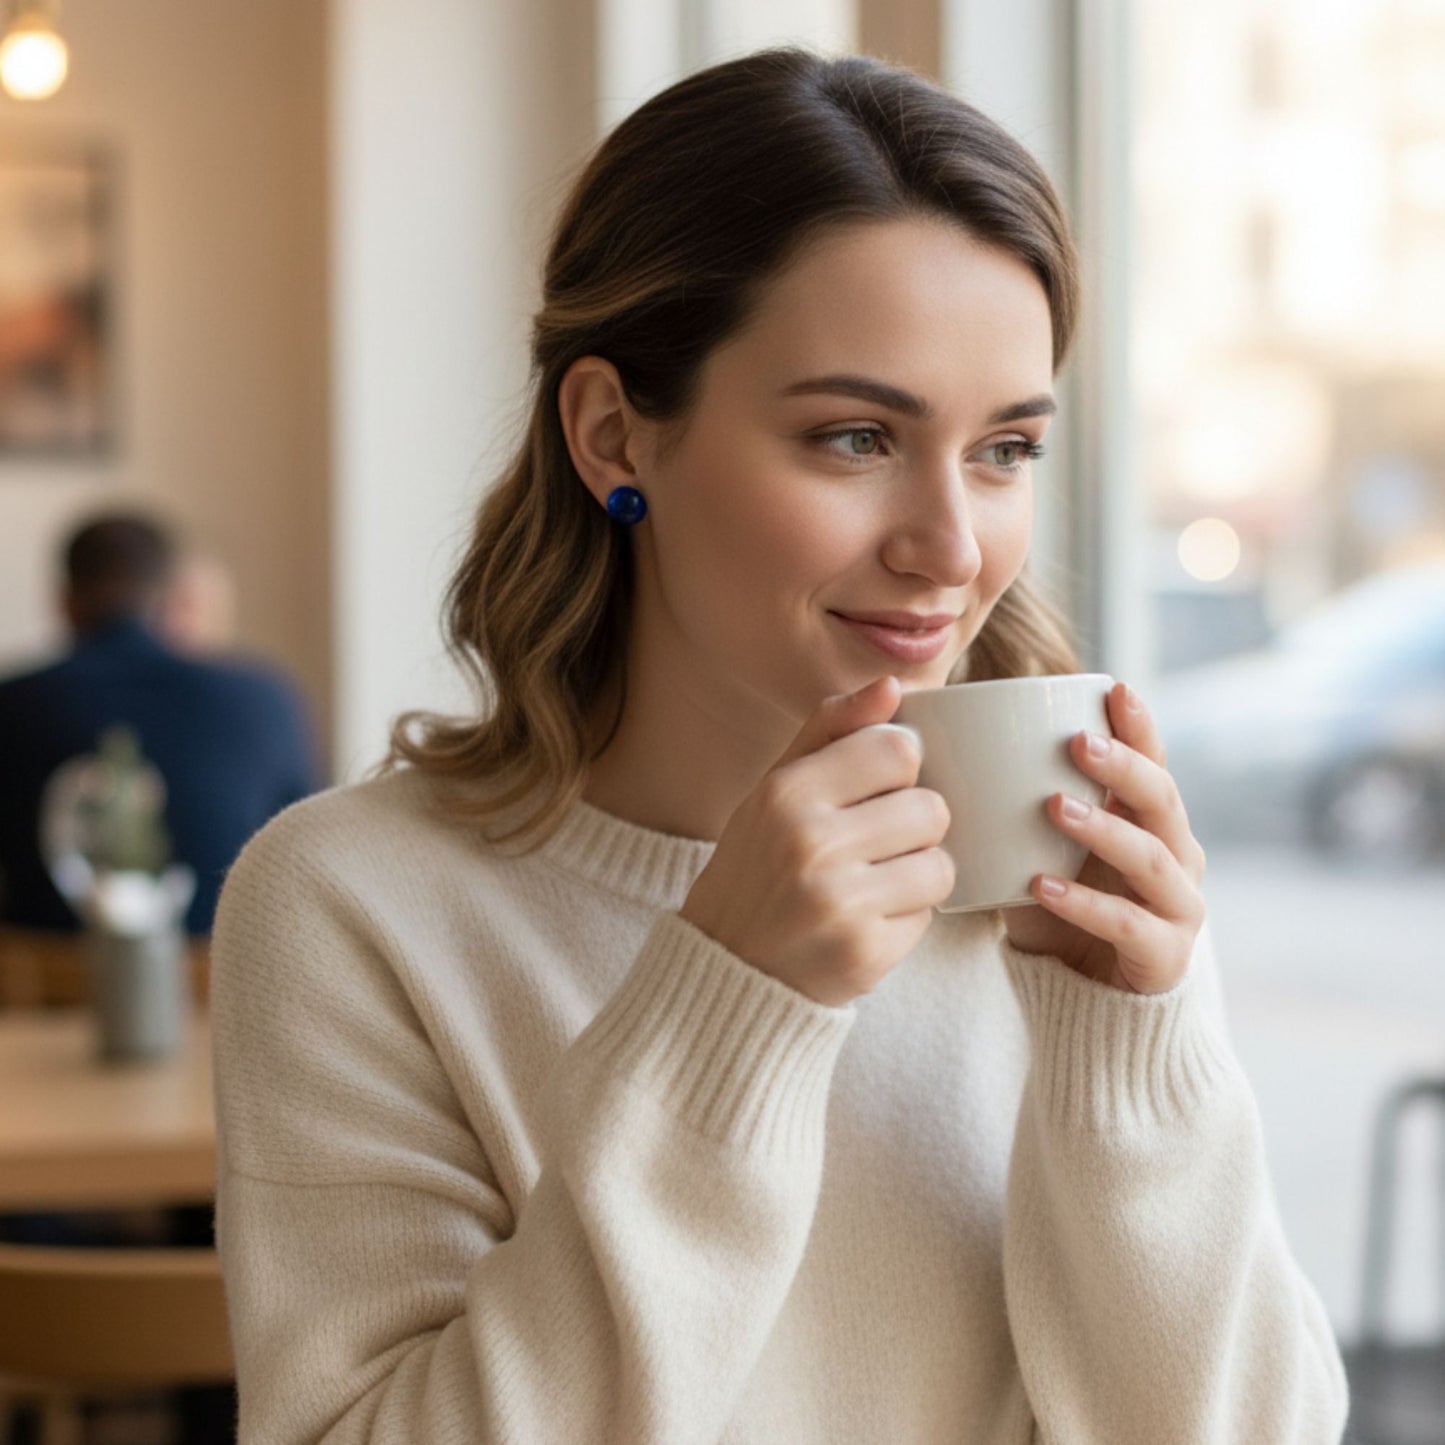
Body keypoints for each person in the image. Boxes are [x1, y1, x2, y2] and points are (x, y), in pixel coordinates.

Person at [211, 49, 1349, 1442]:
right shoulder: (352, 904)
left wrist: (1131, 1055)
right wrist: (729, 1002)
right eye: (857, 436)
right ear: (614, 433)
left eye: (1004, 451)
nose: (949, 546)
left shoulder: (1064, 866)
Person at [0, 510, 322, 937]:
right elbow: (308, 855)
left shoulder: (13, 702)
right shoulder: (264, 699)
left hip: (41, 990)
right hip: (217, 981)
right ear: (173, 599)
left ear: (65, 600)